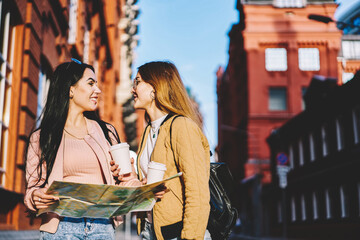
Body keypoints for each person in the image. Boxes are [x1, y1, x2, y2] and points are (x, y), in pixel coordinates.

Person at [24, 59, 138, 239]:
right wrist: (35, 196)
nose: (98, 90)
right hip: (60, 227)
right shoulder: (42, 137)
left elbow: (127, 183)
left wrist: (133, 180)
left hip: (102, 226)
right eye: (91, 83)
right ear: (70, 89)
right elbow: (33, 188)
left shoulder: (106, 132)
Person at [114, 61, 210, 240]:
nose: (132, 89)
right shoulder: (150, 130)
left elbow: (197, 193)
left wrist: (190, 237)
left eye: (138, 82)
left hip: (176, 233)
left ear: (155, 88)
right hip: (150, 230)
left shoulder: (182, 126)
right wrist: (132, 180)